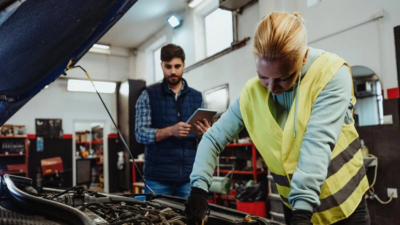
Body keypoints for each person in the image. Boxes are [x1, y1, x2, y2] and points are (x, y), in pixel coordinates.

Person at [184, 12, 370, 225]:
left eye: (283, 78)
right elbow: (212, 139)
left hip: (345, 209)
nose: (272, 88)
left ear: (303, 58)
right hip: (295, 208)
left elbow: (317, 145)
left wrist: (301, 213)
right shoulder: (251, 93)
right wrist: (198, 190)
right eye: (263, 76)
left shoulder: (331, 74)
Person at [135, 44, 210, 198]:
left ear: (184, 65)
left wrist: (206, 133)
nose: (173, 71)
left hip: (190, 177)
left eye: (177, 66)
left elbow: (204, 139)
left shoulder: (197, 97)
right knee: (157, 220)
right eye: (168, 66)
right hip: (157, 178)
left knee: (189, 220)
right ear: (162, 65)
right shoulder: (148, 95)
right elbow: (140, 134)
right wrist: (170, 131)